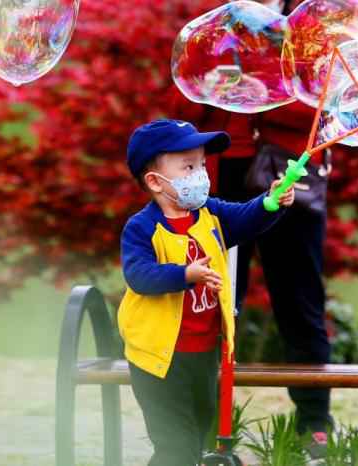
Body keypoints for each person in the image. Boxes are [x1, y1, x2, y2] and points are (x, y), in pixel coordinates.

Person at [168, 0, 335, 459]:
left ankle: (315, 425)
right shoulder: (213, 28)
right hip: (222, 177)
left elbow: (324, 109)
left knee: (300, 300)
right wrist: (219, 81)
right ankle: (206, 423)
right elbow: (183, 106)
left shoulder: (310, 30)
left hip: (286, 178)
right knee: (215, 300)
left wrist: (262, 84)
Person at [118, 118, 295, 466]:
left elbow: (245, 219)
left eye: (201, 164)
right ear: (155, 181)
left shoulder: (209, 213)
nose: (201, 173)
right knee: (175, 448)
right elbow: (139, 276)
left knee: (197, 437)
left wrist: (271, 202)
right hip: (158, 359)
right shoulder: (141, 228)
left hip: (203, 353)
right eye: (188, 166)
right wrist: (186, 274)